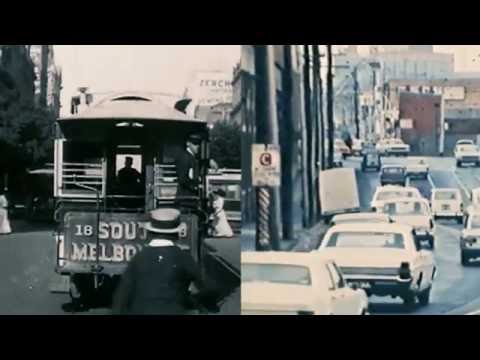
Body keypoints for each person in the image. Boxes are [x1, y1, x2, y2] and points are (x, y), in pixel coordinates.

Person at [111, 208, 219, 315]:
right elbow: (208, 287)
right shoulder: (184, 257)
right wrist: (196, 301)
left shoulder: (139, 258)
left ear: (150, 232)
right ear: (176, 234)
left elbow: (121, 296)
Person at [174, 134, 202, 211]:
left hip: (190, 200)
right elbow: (182, 179)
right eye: (195, 143)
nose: (197, 146)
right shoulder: (185, 157)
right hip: (185, 200)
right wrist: (195, 187)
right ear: (188, 143)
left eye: (198, 143)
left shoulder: (192, 158)